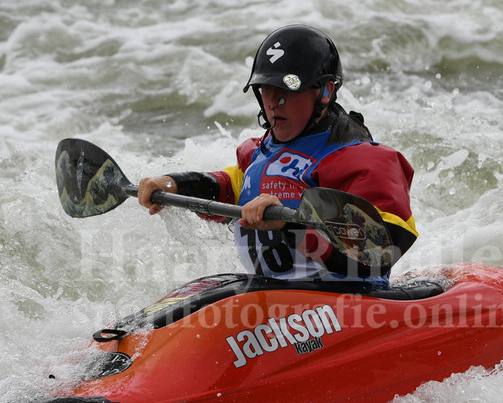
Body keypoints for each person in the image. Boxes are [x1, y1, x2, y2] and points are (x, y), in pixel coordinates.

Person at [138, 24, 417, 287]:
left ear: (325, 91)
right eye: (267, 88)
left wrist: (290, 224)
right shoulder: (258, 156)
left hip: (348, 304)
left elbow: (382, 250)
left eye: (287, 89)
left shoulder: (364, 162)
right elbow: (227, 187)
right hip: (276, 306)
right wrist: (174, 184)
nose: (274, 102)